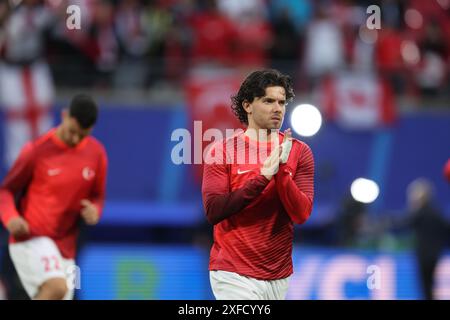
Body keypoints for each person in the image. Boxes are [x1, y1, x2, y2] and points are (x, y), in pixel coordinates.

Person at [201, 69, 314, 300]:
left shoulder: (299, 152)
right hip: (232, 271)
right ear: (247, 106)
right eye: (268, 101)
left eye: (282, 102)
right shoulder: (222, 151)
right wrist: (262, 179)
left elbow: (301, 214)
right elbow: (213, 211)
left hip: (279, 273)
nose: (277, 108)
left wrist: (282, 172)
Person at [0, 94, 108, 300]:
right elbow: (5, 190)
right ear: (65, 116)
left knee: (62, 293)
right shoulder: (36, 151)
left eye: (82, 135)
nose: (75, 139)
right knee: (57, 288)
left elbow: (98, 196)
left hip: (66, 246)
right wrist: (10, 217)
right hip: (32, 237)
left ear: (91, 130)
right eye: (72, 132)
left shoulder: (97, 154)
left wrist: (95, 210)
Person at [405, 178, 448, 300]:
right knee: (429, 285)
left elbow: (403, 223)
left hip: (425, 255)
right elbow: (446, 230)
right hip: (435, 254)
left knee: (426, 285)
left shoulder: (420, 213)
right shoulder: (436, 212)